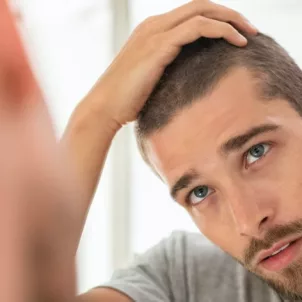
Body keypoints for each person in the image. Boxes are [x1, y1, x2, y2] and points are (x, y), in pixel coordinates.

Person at [69, 0, 302, 301]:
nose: (248, 222)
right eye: (200, 192)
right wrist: (94, 117)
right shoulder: (185, 282)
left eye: (256, 152)